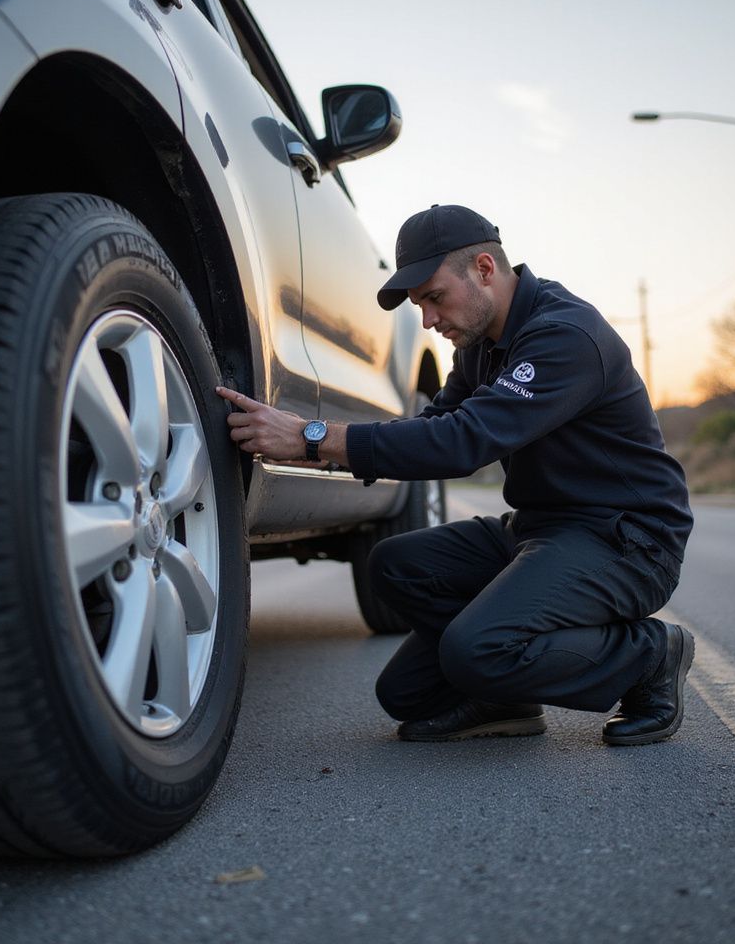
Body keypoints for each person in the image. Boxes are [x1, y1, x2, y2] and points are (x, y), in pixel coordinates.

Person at [215, 204, 694, 746]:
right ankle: (506, 694)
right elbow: (436, 426)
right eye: (419, 305)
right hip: (540, 530)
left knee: (476, 651)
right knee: (399, 608)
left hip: (627, 540)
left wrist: (313, 434)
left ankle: (651, 656)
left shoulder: (566, 336)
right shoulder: (480, 345)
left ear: (485, 269)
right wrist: (316, 451)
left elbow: (464, 441)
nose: (427, 320)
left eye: (434, 297)